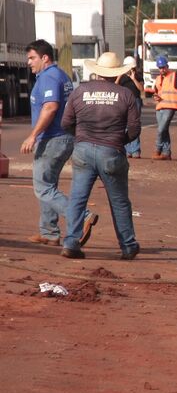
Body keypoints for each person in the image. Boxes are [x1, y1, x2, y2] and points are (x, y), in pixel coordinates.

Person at [60, 52, 141, 260]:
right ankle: (128, 245)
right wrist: (117, 142)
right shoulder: (125, 95)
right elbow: (134, 129)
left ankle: (71, 242)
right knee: (120, 201)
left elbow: (66, 123)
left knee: (77, 198)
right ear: (116, 74)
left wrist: (81, 138)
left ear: (96, 71)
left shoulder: (80, 92)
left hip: (83, 150)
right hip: (111, 152)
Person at [20, 39, 97, 247]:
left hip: (52, 138)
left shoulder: (49, 77)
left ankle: (82, 215)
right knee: (49, 185)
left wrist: (33, 135)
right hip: (62, 137)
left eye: (32, 58)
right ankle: (49, 232)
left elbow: (51, 107)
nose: (29, 62)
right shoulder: (60, 74)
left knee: (43, 188)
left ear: (45, 58)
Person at [152, 55, 177, 160]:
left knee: (160, 130)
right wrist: (155, 97)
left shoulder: (175, 75)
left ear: (167, 66)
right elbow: (156, 91)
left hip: (170, 106)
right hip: (159, 107)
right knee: (164, 130)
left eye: (164, 67)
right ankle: (166, 153)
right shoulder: (157, 79)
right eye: (160, 68)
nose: (162, 69)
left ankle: (157, 150)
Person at [120, 56, 144, 158]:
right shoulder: (121, 77)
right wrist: (119, 75)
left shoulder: (138, 76)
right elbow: (115, 86)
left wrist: (133, 78)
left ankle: (135, 150)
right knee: (124, 125)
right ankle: (127, 150)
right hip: (123, 101)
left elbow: (141, 89)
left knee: (134, 125)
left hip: (135, 101)